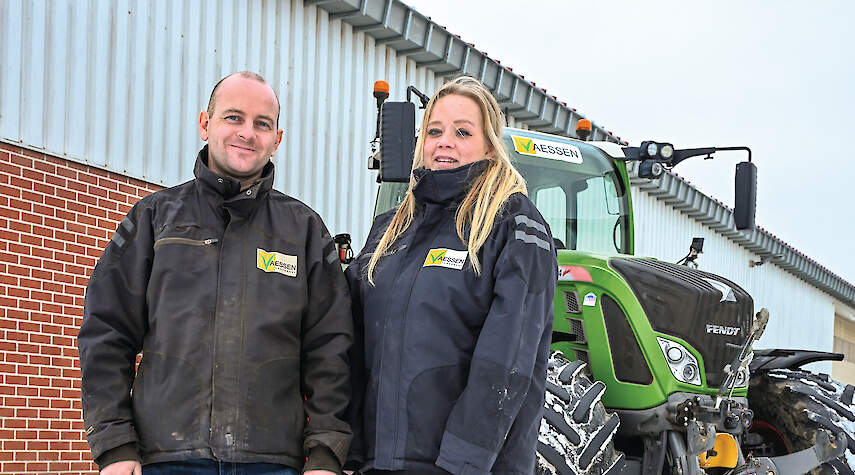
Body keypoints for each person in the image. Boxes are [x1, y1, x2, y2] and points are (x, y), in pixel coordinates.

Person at [78, 72, 352, 475]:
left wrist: (326, 455)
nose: (248, 133)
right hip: (167, 460)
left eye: (262, 124)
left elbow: (331, 348)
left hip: (272, 464)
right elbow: (106, 332)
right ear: (205, 123)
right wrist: (115, 445)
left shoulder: (304, 231)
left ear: (278, 139)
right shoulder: (155, 220)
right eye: (233, 118)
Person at [344, 76, 557, 474]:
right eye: (435, 131)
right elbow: (352, 340)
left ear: (490, 146)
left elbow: (507, 358)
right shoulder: (390, 229)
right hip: (379, 462)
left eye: (462, 132)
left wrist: (462, 462)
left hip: (465, 465)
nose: (445, 142)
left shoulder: (512, 224)